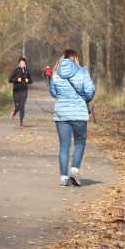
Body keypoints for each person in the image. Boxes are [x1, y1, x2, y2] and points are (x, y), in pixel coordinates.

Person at [48, 49, 95, 187]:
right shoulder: (82, 72)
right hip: (79, 114)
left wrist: (63, 98)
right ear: (76, 58)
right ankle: (74, 170)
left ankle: (63, 178)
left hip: (61, 113)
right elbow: (90, 92)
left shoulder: (56, 73)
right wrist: (83, 99)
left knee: (64, 146)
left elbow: (53, 92)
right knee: (80, 143)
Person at [8, 57, 33, 128]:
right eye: (21, 63)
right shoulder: (16, 71)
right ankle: (15, 111)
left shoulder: (27, 71)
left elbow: (31, 81)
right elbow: (10, 80)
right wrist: (16, 80)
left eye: (23, 63)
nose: (22, 65)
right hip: (16, 90)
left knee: (22, 106)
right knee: (18, 107)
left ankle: (21, 123)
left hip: (24, 91)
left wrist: (28, 81)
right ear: (19, 64)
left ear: (25, 64)